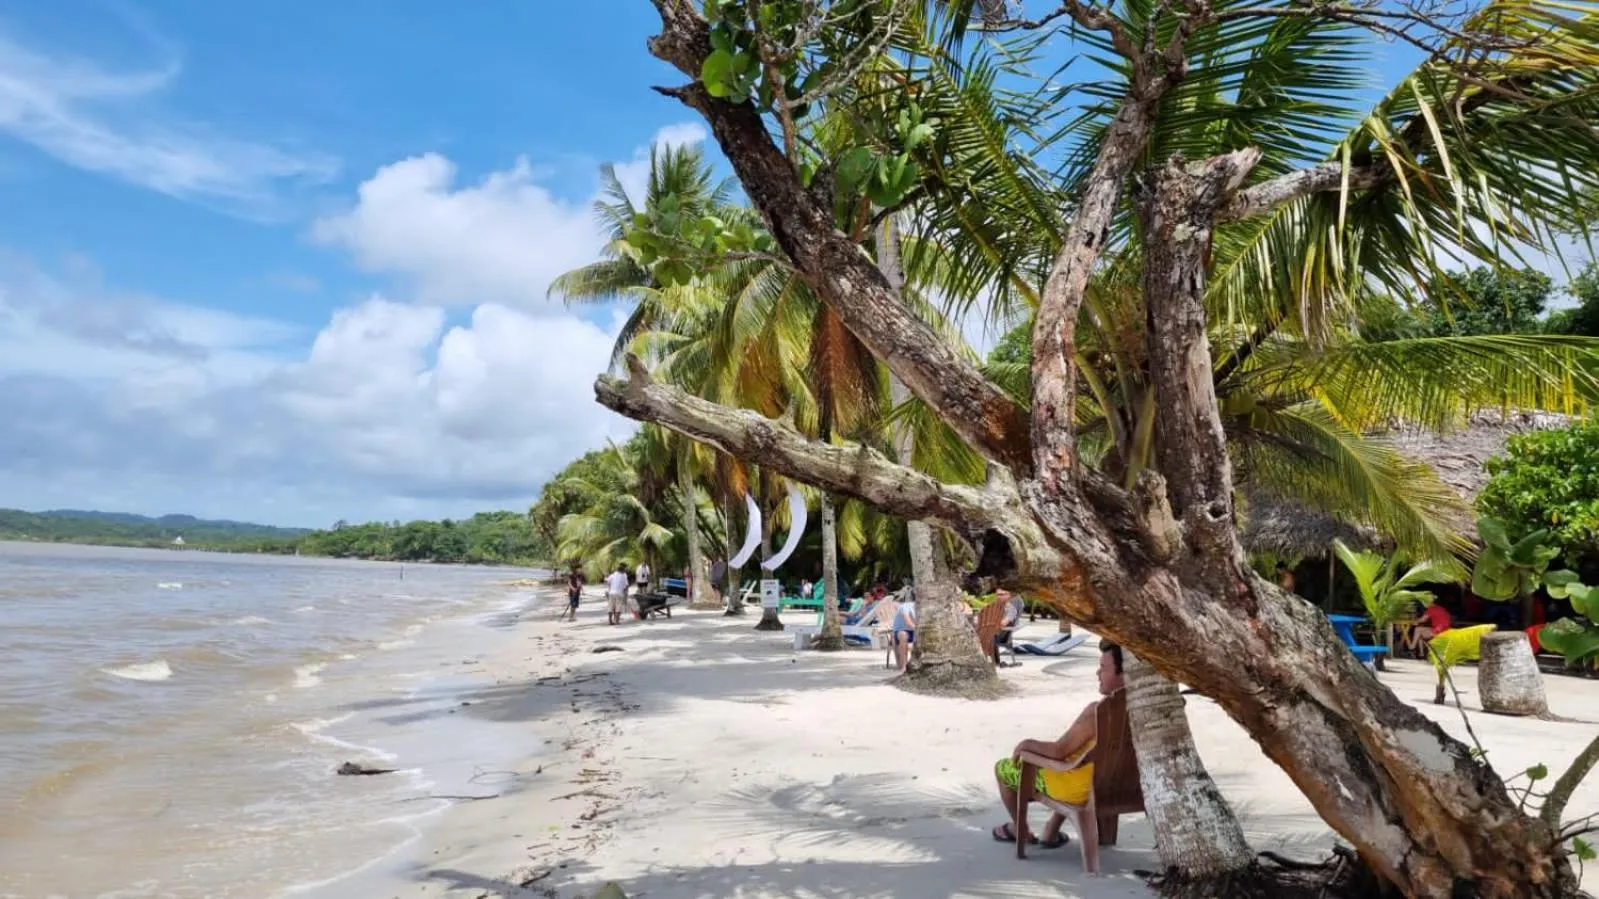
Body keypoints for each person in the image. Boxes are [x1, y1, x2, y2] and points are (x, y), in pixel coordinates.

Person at [990, 641, 1126, 849]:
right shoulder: (1150, 708)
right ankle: (1050, 832)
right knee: (1076, 762)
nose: (1098, 673)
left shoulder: (1098, 712)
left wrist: (1025, 745)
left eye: (1103, 668)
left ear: (1124, 673)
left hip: (1080, 789)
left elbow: (1058, 751)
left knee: (1004, 768)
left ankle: (1021, 830)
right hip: (1122, 786)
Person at [891, 594, 917, 672]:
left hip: (914, 632)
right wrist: (919, 630)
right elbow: (908, 622)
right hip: (901, 631)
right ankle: (904, 666)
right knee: (903, 635)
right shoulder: (905, 606)